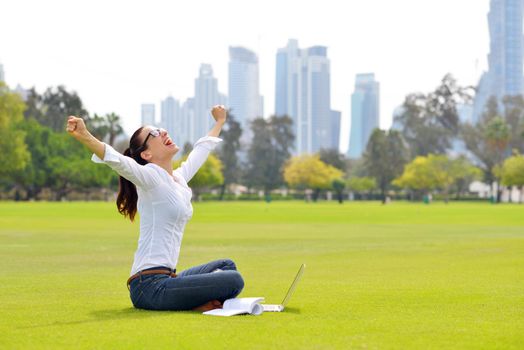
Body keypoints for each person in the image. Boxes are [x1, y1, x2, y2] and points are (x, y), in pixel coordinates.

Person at [66, 105, 244, 311]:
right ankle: (197, 305)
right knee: (234, 280)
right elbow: (118, 161)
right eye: (154, 133)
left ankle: (200, 304)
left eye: (161, 129)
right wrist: (84, 134)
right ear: (147, 154)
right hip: (148, 287)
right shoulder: (149, 177)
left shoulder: (178, 179)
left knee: (227, 266)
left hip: (168, 277)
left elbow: (200, 151)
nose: (163, 132)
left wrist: (219, 122)